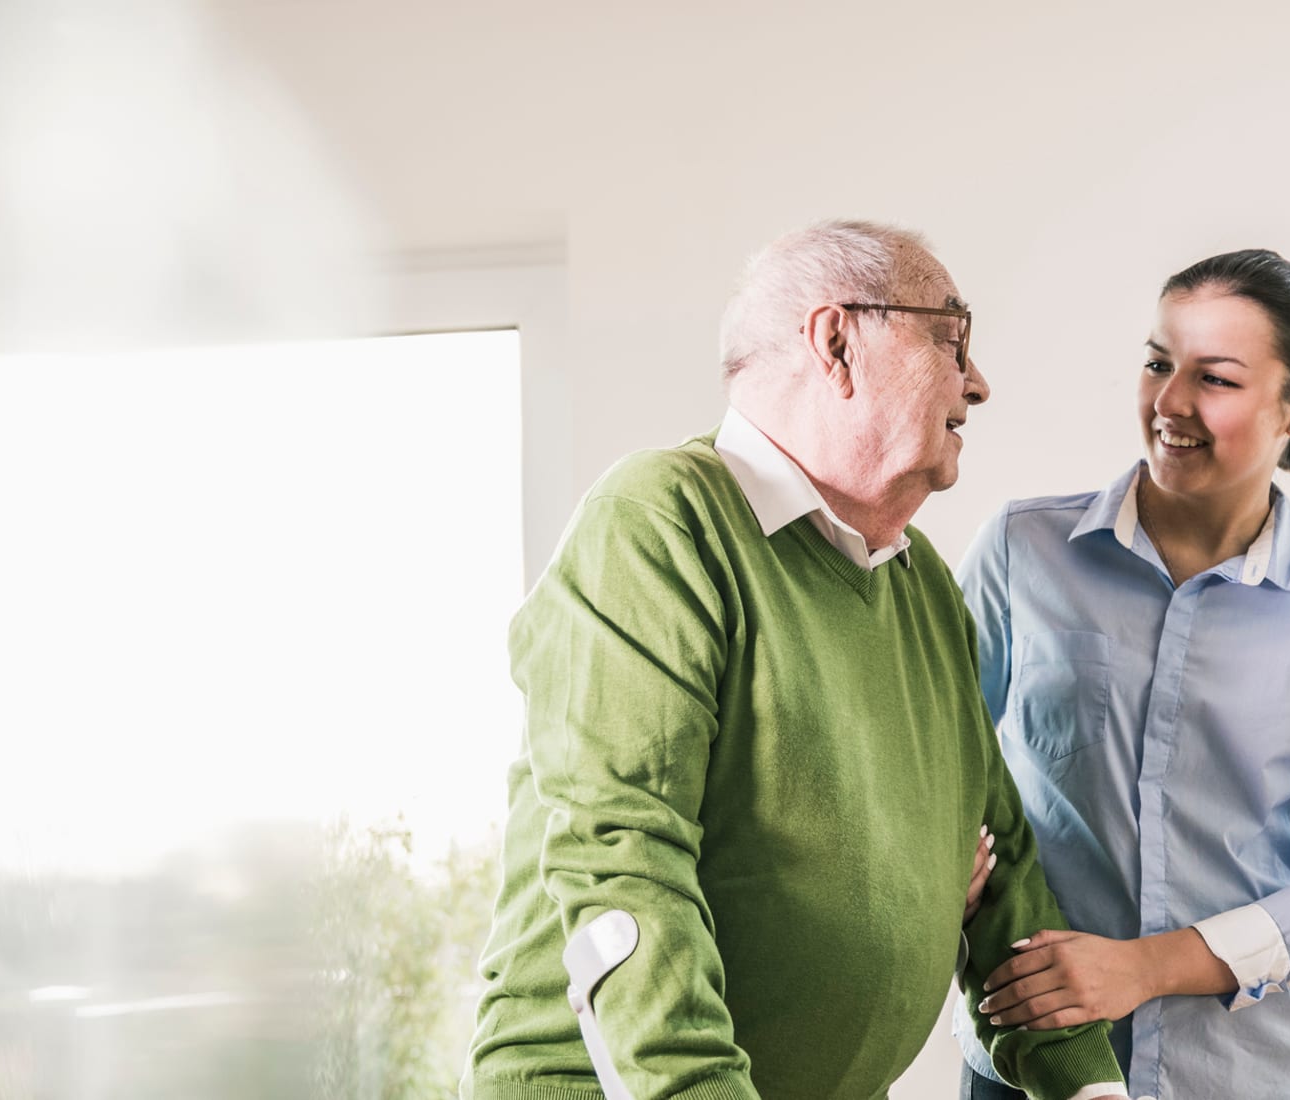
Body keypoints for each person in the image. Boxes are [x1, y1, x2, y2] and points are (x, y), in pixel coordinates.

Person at [461, 220, 1127, 1100]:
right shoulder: (660, 522)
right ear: (837, 342)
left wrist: (1090, 1086)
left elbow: (1001, 868)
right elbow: (624, 865)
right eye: (950, 337)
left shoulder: (918, 579)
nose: (979, 382)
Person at [954, 250, 1290, 1100]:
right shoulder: (1024, 552)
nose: (1170, 403)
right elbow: (929, 763)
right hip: (1034, 1066)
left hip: (1265, 1074)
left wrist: (1145, 969)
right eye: (1157, 363)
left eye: (1215, 378)